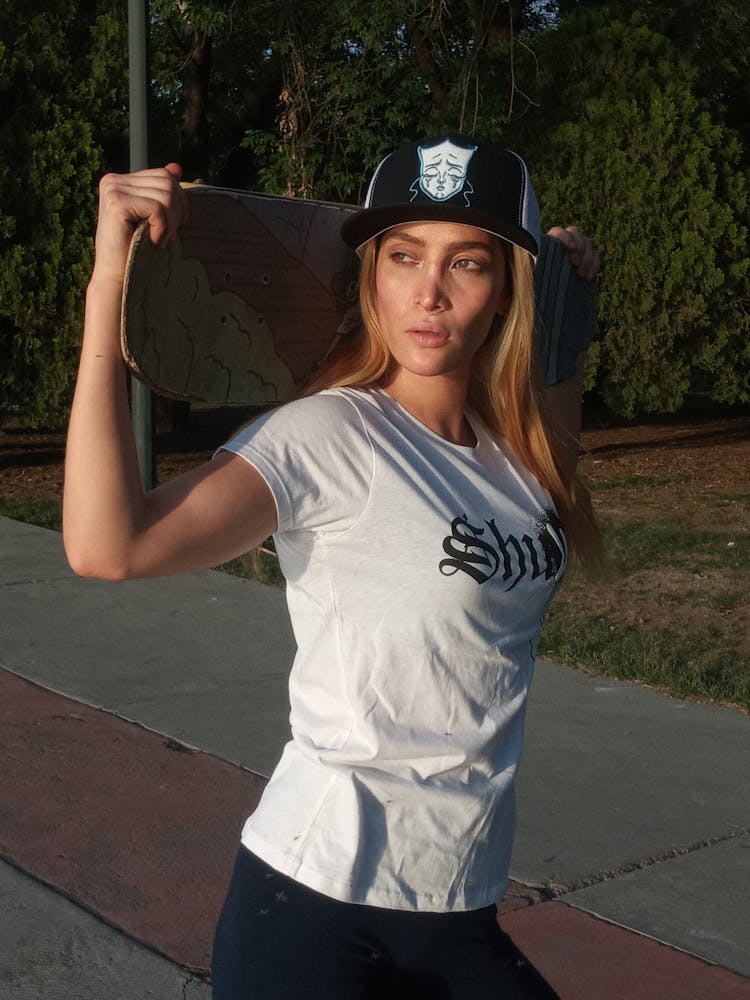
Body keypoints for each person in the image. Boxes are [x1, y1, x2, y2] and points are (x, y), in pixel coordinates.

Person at [64, 134, 601, 999]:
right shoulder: (328, 438)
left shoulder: (514, 457)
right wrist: (108, 284)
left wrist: (574, 300)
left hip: (460, 907)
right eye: (403, 257)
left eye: (466, 262)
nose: (428, 292)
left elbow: (555, 464)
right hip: (317, 909)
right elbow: (106, 546)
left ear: (504, 291)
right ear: (372, 276)